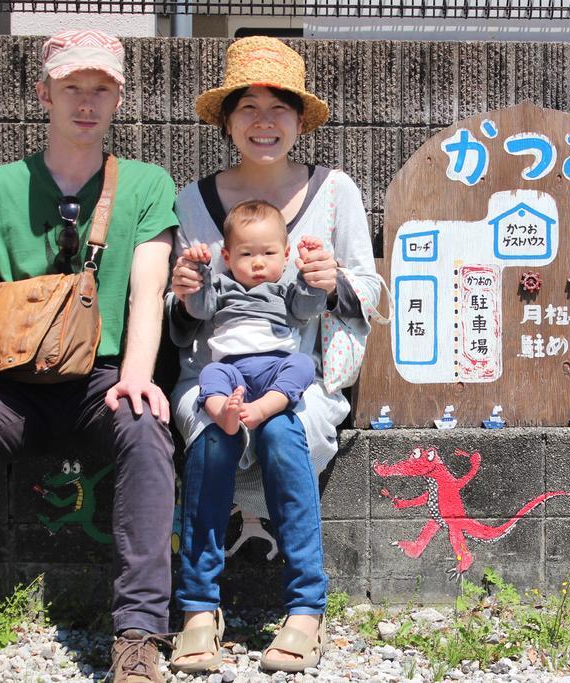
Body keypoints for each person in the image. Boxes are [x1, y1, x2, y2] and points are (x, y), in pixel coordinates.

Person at [0, 29, 177, 683]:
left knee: (146, 429)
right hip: (11, 384)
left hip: (101, 377)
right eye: (72, 87)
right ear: (43, 93)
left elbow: (149, 287)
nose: (86, 101)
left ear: (119, 98)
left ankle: (137, 638)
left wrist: (136, 376)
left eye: (101, 88)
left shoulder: (146, 185)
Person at [167, 36, 380, 674]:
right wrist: (181, 296)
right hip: (212, 374)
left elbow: (370, 290)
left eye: (279, 106)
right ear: (227, 121)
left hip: (299, 377)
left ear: (299, 118)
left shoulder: (336, 191)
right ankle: (199, 614)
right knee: (211, 433)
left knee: (293, 429)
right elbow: (179, 316)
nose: (264, 121)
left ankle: (305, 612)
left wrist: (330, 279)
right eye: (248, 107)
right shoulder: (190, 201)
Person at [184, 199, 327, 436]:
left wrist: (308, 275)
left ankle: (265, 406)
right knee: (209, 374)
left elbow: (306, 310)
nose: (258, 262)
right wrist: (199, 270)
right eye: (246, 253)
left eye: (269, 253)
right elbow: (201, 310)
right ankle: (222, 413)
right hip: (230, 369)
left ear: (286, 254)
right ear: (227, 257)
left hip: (277, 367)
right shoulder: (222, 287)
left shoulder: (285, 289)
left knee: (303, 364)